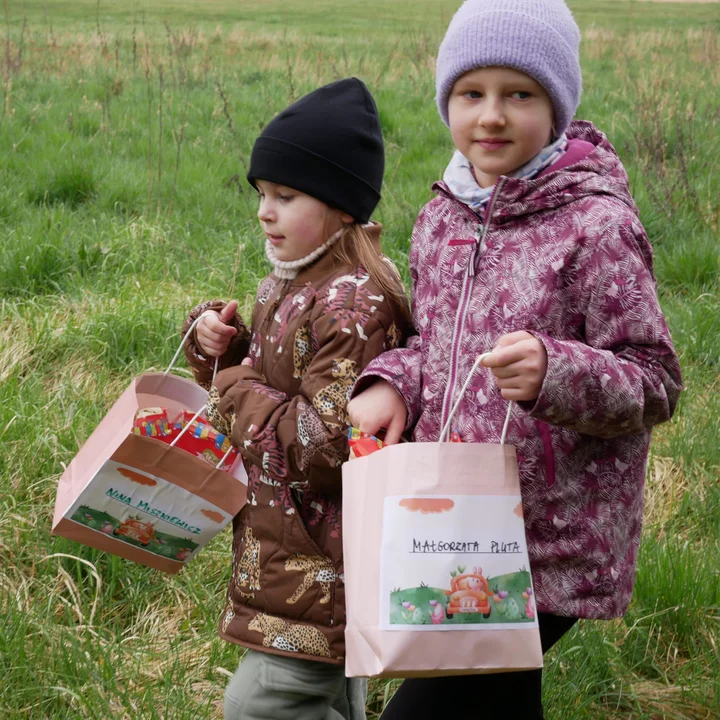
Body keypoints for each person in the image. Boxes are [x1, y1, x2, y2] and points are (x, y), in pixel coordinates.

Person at [347, 1, 683, 716]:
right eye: (472, 93)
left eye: (519, 94)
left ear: (556, 106)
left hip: (548, 538)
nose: (491, 116)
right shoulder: (444, 215)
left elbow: (655, 380)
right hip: (457, 527)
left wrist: (555, 373)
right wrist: (392, 381)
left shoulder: (596, 225)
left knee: (435, 707)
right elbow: (437, 348)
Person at [181, 78, 410, 720]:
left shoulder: (354, 304)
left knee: (260, 705)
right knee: (324, 701)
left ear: (342, 207)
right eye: (261, 194)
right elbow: (271, 378)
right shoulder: (292, 281)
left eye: (286, 195)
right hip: (291, 558)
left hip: (324, 567)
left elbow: (327, 445)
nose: (264, 211)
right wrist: (219, 344)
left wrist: (233, 385)